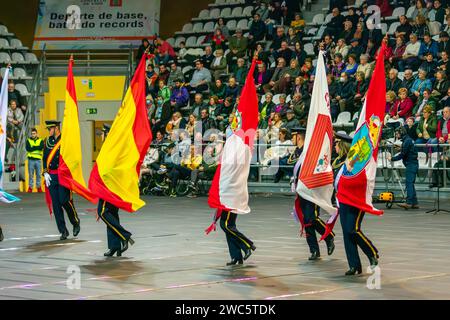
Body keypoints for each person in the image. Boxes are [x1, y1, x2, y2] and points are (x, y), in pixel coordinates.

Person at [292, 129, 335, 261]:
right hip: (302, 190)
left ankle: (329, 236)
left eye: (293, 136)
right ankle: (314, 250)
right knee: (307, 221)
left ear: (298, 137)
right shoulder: (299, 152)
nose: (292, 139)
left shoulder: (309, 150)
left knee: (312, 218)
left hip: (311, 190)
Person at [97, 124, 135, 257]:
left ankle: (124, 235)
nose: (101, 136)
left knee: (102, 212)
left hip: (110, 187)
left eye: (103, 133)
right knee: (112, 215)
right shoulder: (111, 148)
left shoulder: (112, 149)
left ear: (108, 134)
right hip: (110, 186)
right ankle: (115, 247)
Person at [42, 120, 80, 240]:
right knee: (56, 205)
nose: (49, 131)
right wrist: (45, 172)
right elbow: (44, 158)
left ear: (57, 128)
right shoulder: (47, 141)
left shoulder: (65, 140)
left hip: (63, 175)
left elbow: (72, 157)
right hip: (52, 176)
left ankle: (75, 222)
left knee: (65, 200)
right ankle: (63, 231)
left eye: (51, 129)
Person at [389, 126, 419, 209]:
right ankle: (414, 202)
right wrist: (401, 148)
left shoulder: (407, 141)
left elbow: (403, 155)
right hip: (413, 164)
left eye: (398, 133)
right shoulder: (408, 140)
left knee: (409, 183)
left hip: (411, 164)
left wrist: (392, 158)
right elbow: (407, 150)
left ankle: (409, 202)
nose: (397, 135)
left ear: (402, 132)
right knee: (411, 184)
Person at [26, 128, 44, 193]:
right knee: (31, 174)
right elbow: (28, 149)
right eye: (32, 134)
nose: (33, 135)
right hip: (31, 160)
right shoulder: (28, 140)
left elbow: (41, 147)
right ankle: (30, 187)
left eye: (34, 133)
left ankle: (38, 187)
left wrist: (33, 147)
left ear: (36, 133)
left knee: (38, 174)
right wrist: (37, 147)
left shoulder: (40, 140)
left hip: (38, 160)